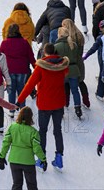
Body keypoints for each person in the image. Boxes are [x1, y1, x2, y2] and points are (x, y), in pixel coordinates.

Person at [17, 43, 69, 171]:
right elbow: (66, 73)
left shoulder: (40, 68)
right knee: (58, 131)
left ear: (44, 53)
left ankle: (41, 159)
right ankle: (59, 157)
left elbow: (30, 85)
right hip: (58, 103)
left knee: (42, 131)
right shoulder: (62, 67)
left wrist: (19, 100)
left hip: (45, 104)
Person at [0, 107, 48, 189]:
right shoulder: (33, 132)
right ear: (30, 117)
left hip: (14, 161)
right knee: (32, 185)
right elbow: (37, 148)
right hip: (28, 162)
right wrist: (43, 159)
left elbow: (6, 143)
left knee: (17, 184)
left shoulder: (12, 128)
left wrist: (2, 157)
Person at [0, 24, 35, 116]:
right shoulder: (24, 42)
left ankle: (11, 110)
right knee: (21, 89)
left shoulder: (5, 43)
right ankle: (22, 110)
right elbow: (31, 56)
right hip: (22, 69)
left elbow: (0, 57)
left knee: (11, 90)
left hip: (9, 69)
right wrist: (36, 66)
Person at [54, 26, 84, 118]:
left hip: (62, 71)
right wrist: (81, 73)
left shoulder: (56, 46)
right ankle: (78, 108)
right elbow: (79, 60)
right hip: (74, 70)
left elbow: (54, 61)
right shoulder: (73, 45)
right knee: (75, 90)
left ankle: (61, 110)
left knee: (61, 91)